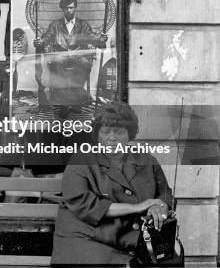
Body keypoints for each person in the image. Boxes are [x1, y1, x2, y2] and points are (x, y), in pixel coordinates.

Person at [51, 102, 174, 267]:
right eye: (106, 131)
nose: (112, 137)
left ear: (129, 134)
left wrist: (159, 207)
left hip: (132, 237)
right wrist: (140, 206)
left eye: (119, 131)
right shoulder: (81, 161)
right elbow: (86, 205)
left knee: (170, 258)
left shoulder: (146, 160)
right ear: (97, 134)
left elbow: (165, 194)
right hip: (89, 239)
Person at [33, 0, 107, 110]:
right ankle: (63, 100)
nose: (69, 10)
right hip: (60, 57)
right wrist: (39, 42)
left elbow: (93, 37)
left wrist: (100, 39)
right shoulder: (55, 25)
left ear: (75, 8)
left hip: (78, 57)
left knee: (84, 63)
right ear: (62, 9)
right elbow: (46, 38)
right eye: (66, 8)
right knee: (57, 64)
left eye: (71, 8)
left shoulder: (83, 25)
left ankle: (75, 99)